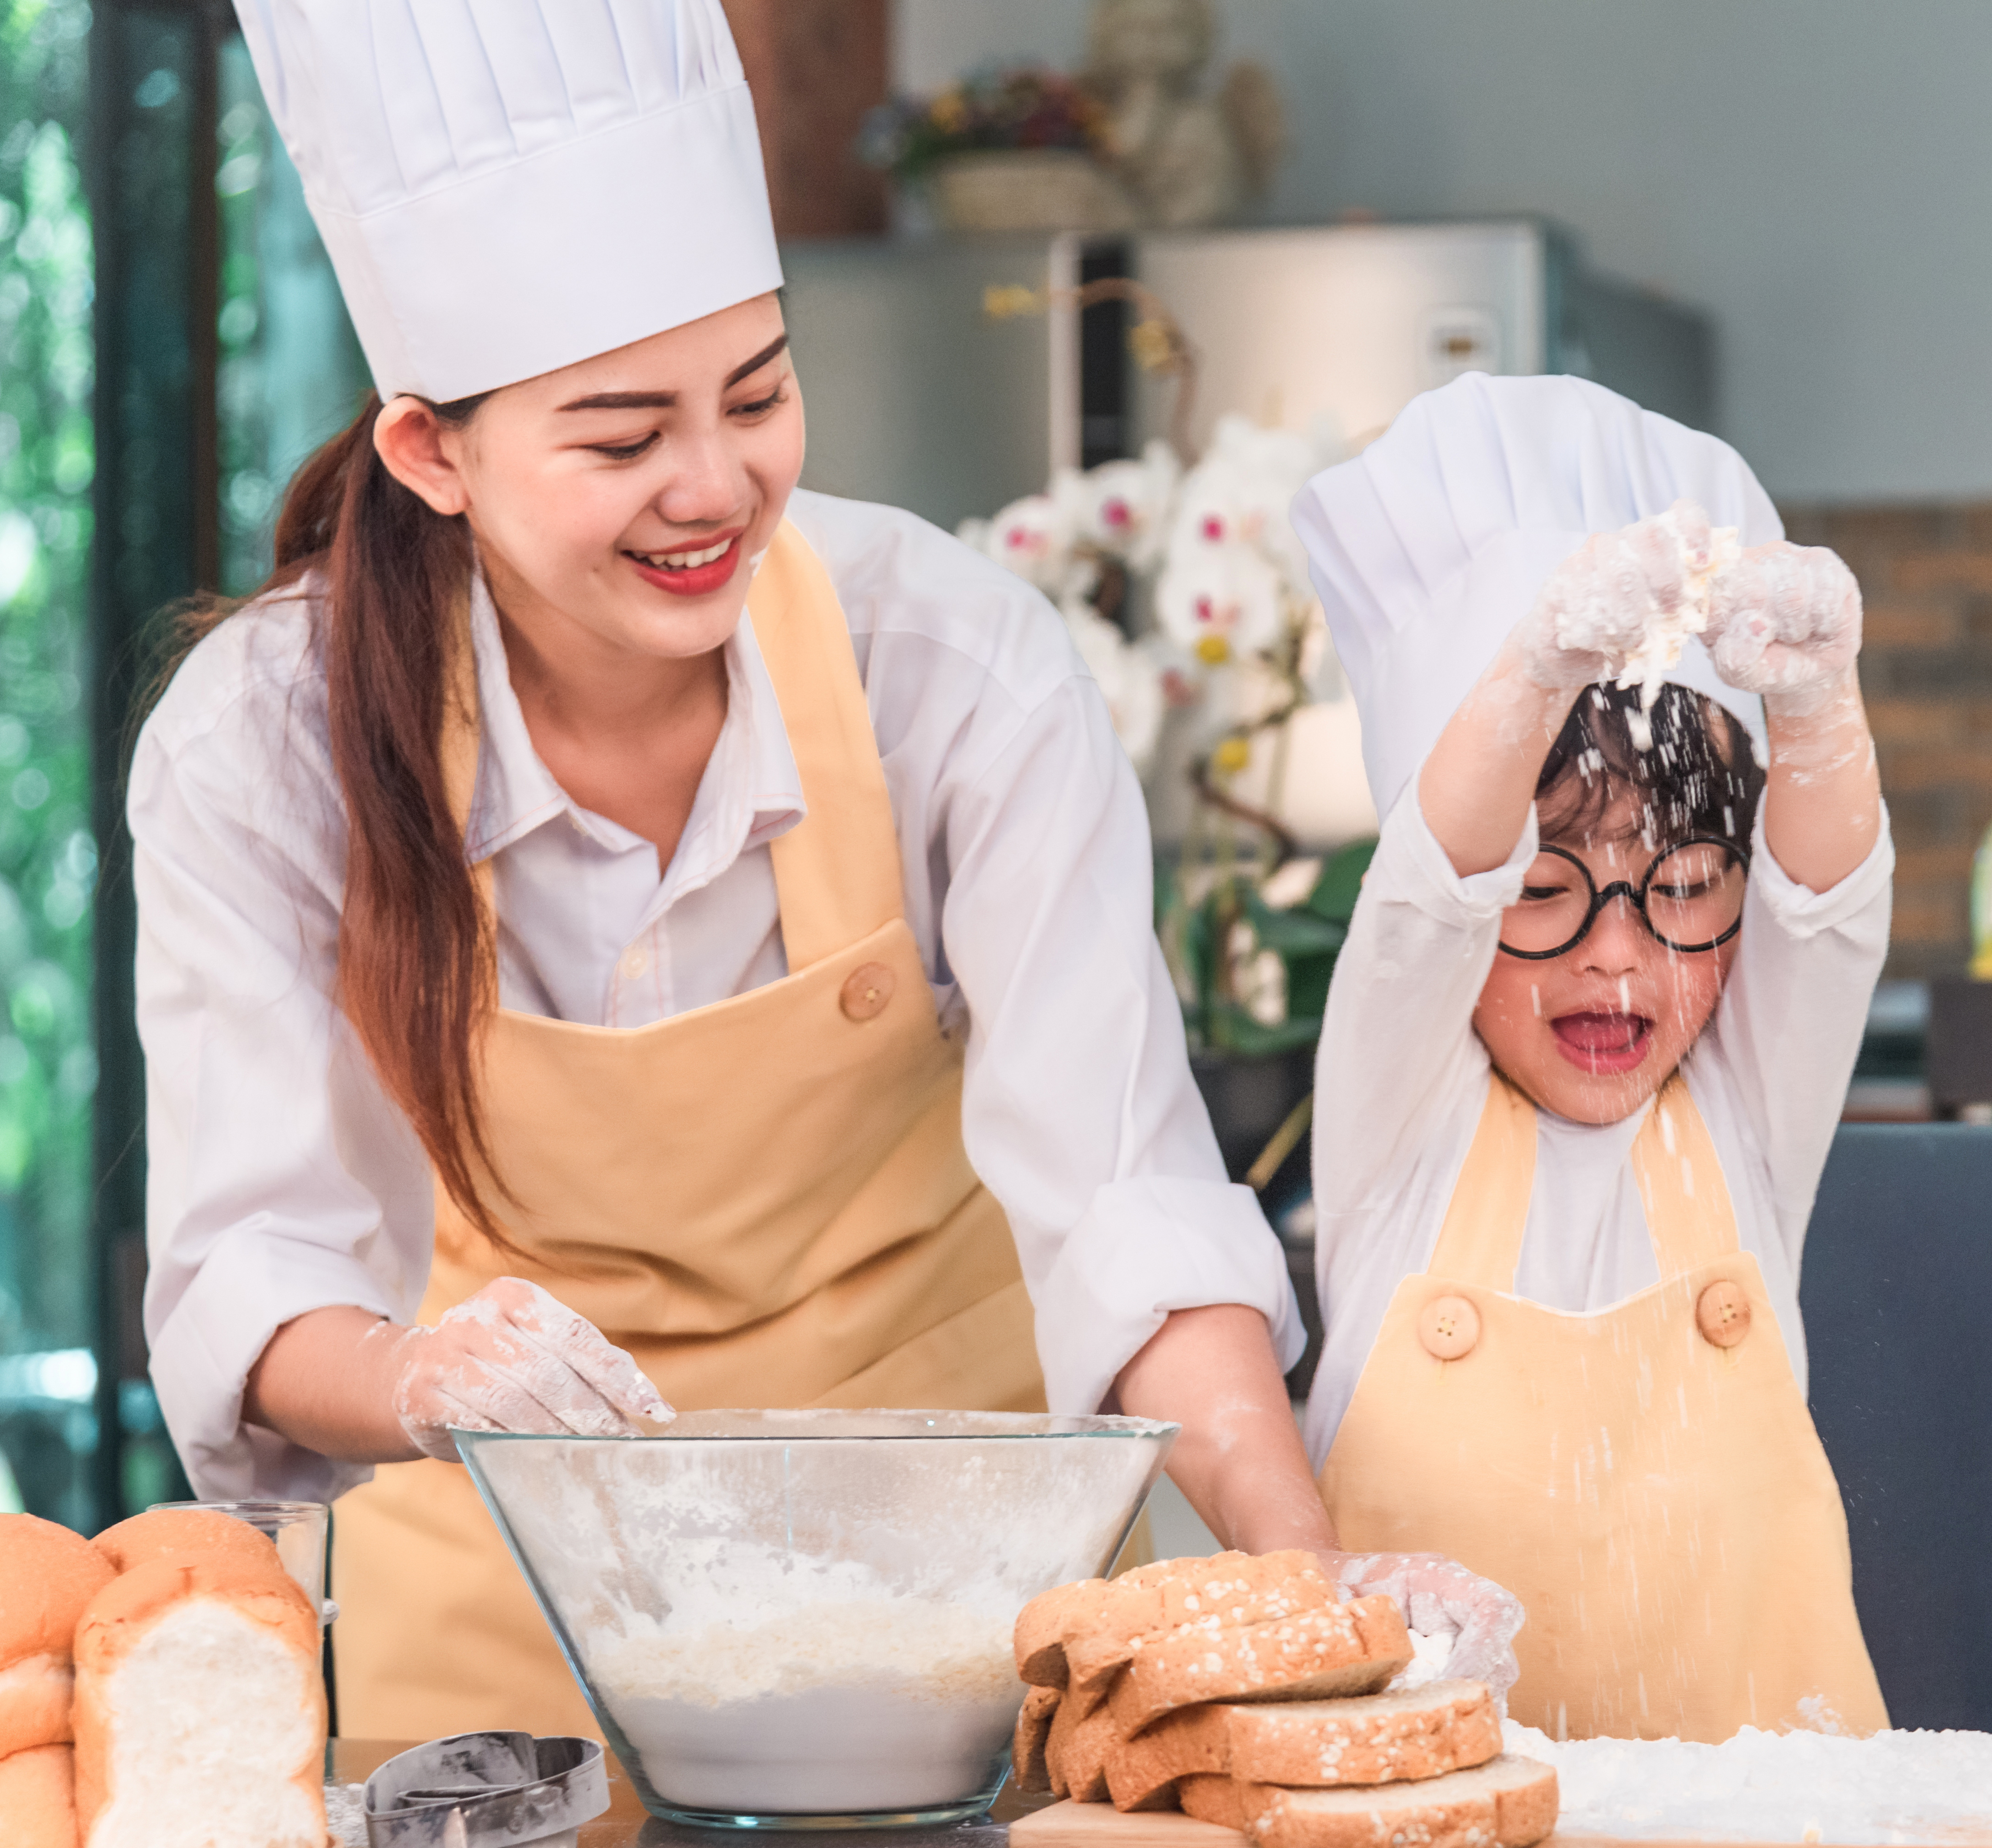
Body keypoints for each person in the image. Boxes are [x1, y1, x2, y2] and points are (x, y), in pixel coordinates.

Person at [135, 0, 1503, 1742]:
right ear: (432, 454)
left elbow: (1128, 1208)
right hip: (503, 1612)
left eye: (760, 394)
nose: (716, 485)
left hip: (952, 1602)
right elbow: (250, 1266)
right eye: (623, 439)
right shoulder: (263, 739)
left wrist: (1306, 1575)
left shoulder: (956, 670)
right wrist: (429, 1378)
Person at [1289, 373, 1894, 1742]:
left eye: (1680, 888)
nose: (1620, 963)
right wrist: (1534, 671)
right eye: (1542, 892)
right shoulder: (1406, 1114)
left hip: (1767, 1825)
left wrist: (1819, 715)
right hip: (1431, 1814)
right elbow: (1429, 894)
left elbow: (1830, 910)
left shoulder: (1743, 1108)